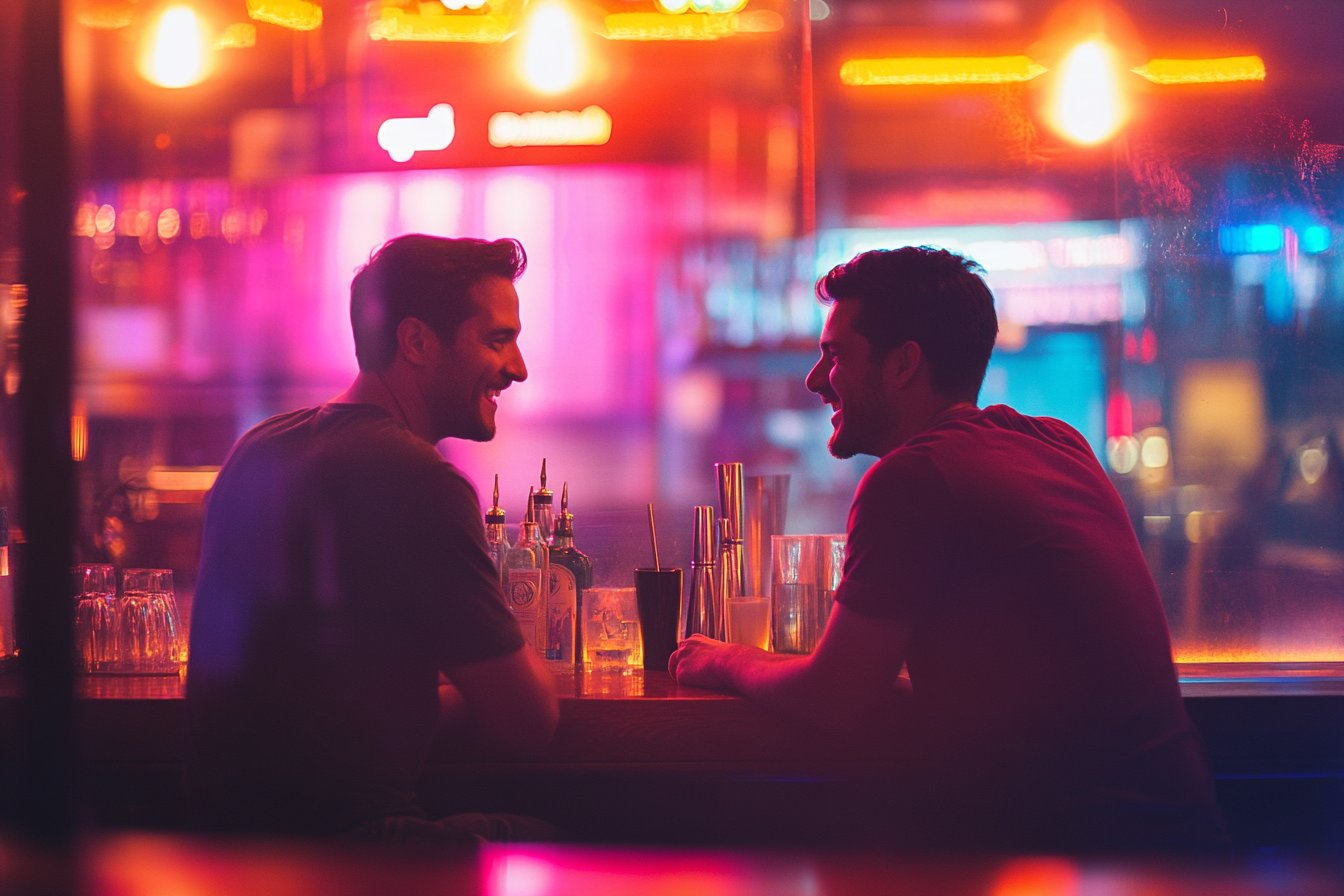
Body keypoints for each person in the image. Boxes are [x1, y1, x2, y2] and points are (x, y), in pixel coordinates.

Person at [670, 247, 1226, 853]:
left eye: (835, 355)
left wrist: (724, 661)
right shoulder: (1058, 443)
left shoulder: (913, 479)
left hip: (1087, 859)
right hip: (1184, 841)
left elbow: (834, 699)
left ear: (904, 363)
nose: (814, 380)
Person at [183, 235, 559, 844]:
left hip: (226, 855)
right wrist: (514, 671)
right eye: (497, 340)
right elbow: (528, 720)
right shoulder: (418, 479)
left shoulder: (258, 450)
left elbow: (316, 711)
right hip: (352, 855)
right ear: (415, 341)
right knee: (594, 846)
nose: (518, 368)